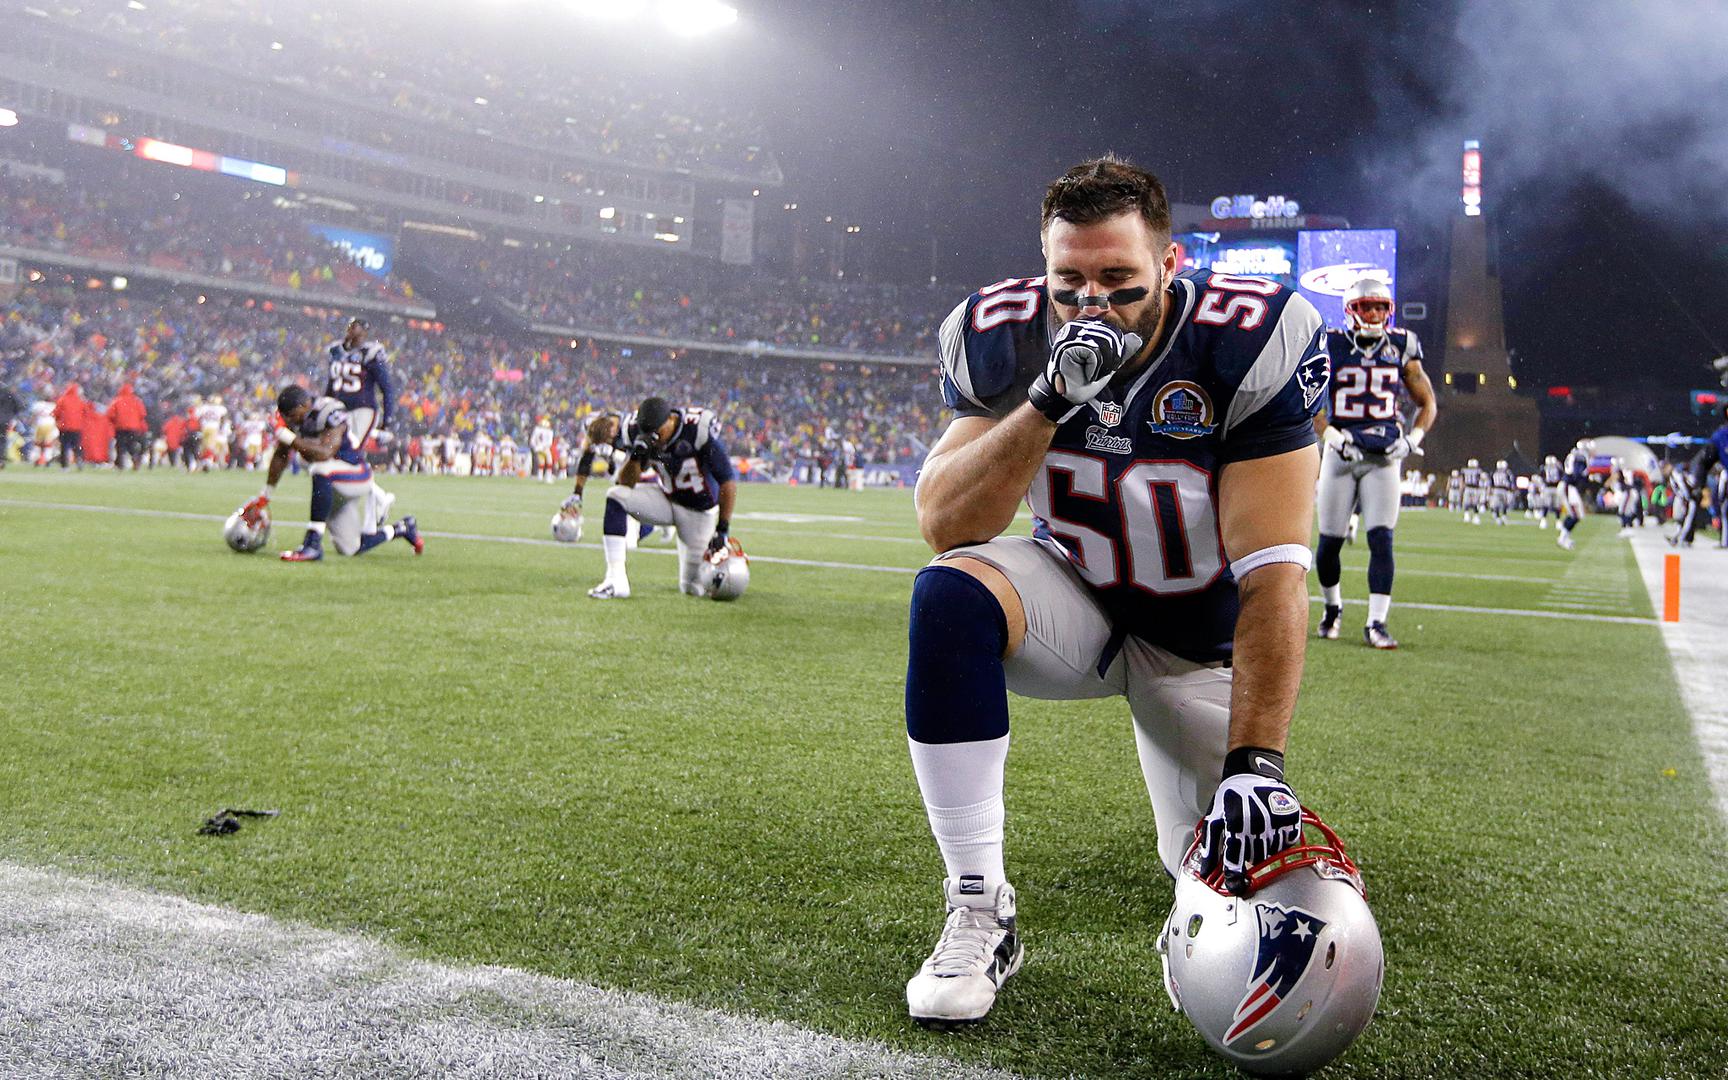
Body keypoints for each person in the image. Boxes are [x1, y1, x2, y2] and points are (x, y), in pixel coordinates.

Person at [903, 157, 1328, 1027]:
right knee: (949, 594)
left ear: (1169, 265)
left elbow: (1275, 576)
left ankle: (1212, 825)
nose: (1092, 302)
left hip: (1198, 642)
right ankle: (979, 906)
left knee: (1251, 887)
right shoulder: (1005, 333)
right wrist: (1046, 400)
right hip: (1078, 599)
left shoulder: (1248, 338)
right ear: (1044, 267)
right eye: (1071, 281)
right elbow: (948, 522)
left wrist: (1259, 763)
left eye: (1118, 278)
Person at [1311, 276, 1437, 649]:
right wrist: (1330, 435)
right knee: (1329, 543)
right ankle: (1332, 608)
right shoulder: (1331, 343)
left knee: (1382, 539)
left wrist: (1412, 439)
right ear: (1351, 309)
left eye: (1381, 307)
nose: (1375, 314)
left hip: (1383, 456)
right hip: (1342, 452)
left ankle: (1376, 622)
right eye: (1367, 307)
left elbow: (1427, 403)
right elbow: (1310, 397)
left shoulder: (1401, 344)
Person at [243, 385, 422, 562]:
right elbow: (281, 455)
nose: (290, 421)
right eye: (286, 417)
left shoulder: (330, 410)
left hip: (355, 473)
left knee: (319, 468)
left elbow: (325, 452)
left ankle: (312, 544)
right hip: (333, 483)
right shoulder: (295, 419)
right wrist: (266, 495)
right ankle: (403, 528)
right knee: (350, 548)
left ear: (303, 406)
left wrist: (290, 438)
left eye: (291, 415)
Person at [587, 396, 737, 599]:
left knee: (693, 588)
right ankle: (616, 580)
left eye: (657, 432)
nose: (655, 438)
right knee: (616, 496)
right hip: (666, 499)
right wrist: (637, 456)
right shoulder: (637, 431)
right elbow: (625, 483)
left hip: (698, 513)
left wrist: (723, 529)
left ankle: (722, 565)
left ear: (671, 420)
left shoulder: (696, 430)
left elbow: (727, 481)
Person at [106, 383, 150, 471]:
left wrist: (115, 421)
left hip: (120, 428)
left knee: (120, 446)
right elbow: (143, 414)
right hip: (134, 428)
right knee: (131, 444)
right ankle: (135, 458)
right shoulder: (137, 401)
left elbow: (110, 414)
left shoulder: (117, 401)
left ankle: (120, 464)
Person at [1556, 442, 1591, 550]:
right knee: (1575, 514)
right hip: (1568, 486)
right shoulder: (1580, 456)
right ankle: (1562, 539)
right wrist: (1586, 477)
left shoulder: (1574, 454)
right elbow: (1577, 473)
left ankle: (1564, 537)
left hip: (1569, 486)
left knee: (1577, 514)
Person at [53, 382, 89, 469]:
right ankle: (79, 460)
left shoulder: (62, 400)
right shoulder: (80, 401)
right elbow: (86, 413)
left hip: (64, 427)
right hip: (77, 428)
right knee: (77, 446)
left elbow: (56, 413)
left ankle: (64, 466)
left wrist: (58, 421)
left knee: (64, 447)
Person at [1490, 459, 1518, 526]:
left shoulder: (1494, 472)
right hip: (1505, 490)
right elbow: (1511, 482)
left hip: (1496, 490)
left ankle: (1498, 517)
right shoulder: (1507, 472)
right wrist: (1513, 489)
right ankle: (1503, 516)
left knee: (1497, 504)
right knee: (1504, 503)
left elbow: (1492, 483)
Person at [530, 416, 556, 483]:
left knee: (541, 462)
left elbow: (532, 441)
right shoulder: (549, 431)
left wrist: (536, 446)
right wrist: (544, 446)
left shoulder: (536, 430)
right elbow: (549, 442)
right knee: (549, 462)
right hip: (545, 448)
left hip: (538, 448)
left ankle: (540, 476)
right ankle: (548, 477)